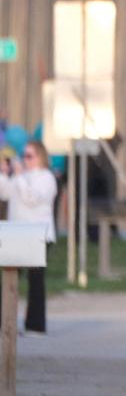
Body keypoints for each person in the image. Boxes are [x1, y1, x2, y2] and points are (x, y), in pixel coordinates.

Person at [0, 140, 57, 333]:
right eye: (24, 156)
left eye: (29, 156)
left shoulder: (47, 178)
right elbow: (4, 193)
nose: (25, 160)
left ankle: (35, 326)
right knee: (9, 279)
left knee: (35, 279)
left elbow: (32, 199)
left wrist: (20, 177)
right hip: (17, 233)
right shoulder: (20, 176)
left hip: (38, 234)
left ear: (40, 157)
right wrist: (3, 173)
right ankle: (6, 323)